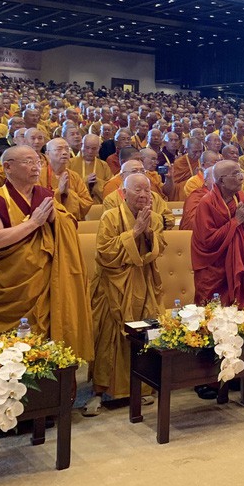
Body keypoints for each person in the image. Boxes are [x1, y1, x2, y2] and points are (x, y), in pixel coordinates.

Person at [0, 145, 93, 359]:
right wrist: (33, 223)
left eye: (38, 161)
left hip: (45, 285)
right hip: (10, 286)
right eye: (28, 161)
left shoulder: (45, 195)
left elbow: (68, 225)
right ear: (8, 167)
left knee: (47, 346)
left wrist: (54, 219)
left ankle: (51, 390)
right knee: (8, 352)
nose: (36, 167)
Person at [84, 173, 166, 416]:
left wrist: (148, 232)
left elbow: (158, 248)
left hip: (144, 281)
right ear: (124, 192)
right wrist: (134, 232)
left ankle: (141, 387)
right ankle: (99, 392)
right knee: (109, 336)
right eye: (137, 190)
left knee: (143, 333)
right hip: (113, 285)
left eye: (147, 191)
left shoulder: (155, 217)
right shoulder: (110, 216)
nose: (143, 195)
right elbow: (105, 253)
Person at [191, 159, 244, 307]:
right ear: (222, 181)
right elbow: (208, 240)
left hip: (239, 261)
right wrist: (236, 221)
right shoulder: (207, 203)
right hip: (215, 267)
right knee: (214, 313)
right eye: (236, 174)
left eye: (241, 172)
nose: (241, 177)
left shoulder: (240, 197)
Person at [103, 160, 176, 229]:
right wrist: (137, 224)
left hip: (151, 238)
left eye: (142, 171)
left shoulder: (154, 196)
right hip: (125, 239)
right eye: (134, 171)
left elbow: (169, 220)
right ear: (122, 176)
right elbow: (111, 225)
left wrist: (151, 218)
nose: (139, 174)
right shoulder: (111, 199)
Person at [38, 137, 93, 221]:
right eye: (59, 149)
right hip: (46, 225)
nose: (64, 152)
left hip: (71, 223)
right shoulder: (38, 176)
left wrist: (68, 193)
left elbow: (86, 202)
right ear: (47, 154)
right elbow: (36, 203)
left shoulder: (75, 176)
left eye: (67, 149)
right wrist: (59, 191)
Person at [69, 134, 111, 203]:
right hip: (77, 205)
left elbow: (110, 188)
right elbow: (67, 187)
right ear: (81, 145)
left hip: (98, 206)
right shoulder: (71, 163)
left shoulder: (103, 165)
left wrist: (98, 183)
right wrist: (85, 181)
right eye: (87, 148)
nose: (90, 151)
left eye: (94, 148)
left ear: (99, 148)